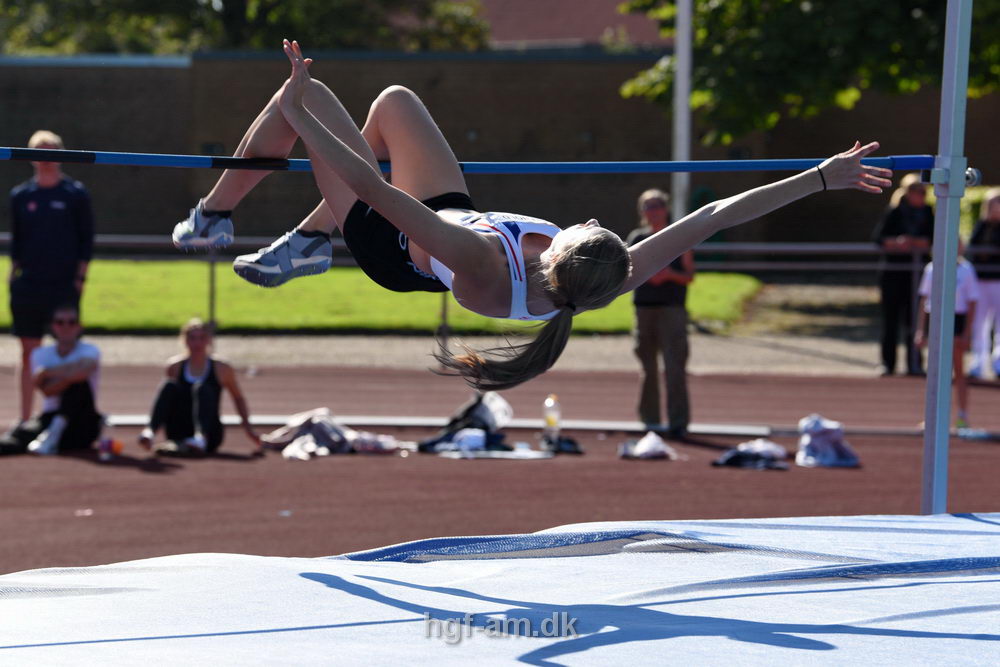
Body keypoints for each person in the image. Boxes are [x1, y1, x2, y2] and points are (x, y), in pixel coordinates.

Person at [171, 40, 892, 391]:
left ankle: (212, 216)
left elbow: (374, 186)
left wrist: (297, 110)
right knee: (393, 102)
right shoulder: (609, 275)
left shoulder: (490, 267)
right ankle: (304, 243)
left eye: (579, 228)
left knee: (314, 97)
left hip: (394, 239)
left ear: (562, 252)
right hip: (449, 213)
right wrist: (821, 178)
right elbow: (714, 213)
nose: (580, 218)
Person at [8, 130, 95, 423]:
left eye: (52, 152)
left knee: (68, 351)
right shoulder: (21, 196)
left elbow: (86, 239)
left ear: (62, 154)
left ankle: (67, 419)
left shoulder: (74, 194)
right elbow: (17, 241)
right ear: (31, 158)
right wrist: (13, 277)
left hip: (63, 284)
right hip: (29, 285)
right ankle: (24, 419)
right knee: (28, 354)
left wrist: (80, 279)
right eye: (40, 152)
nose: (46, 159)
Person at [138, 318, 261, 457]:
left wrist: (248, 430)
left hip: (210, 434)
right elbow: (166, 402)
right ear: (184, 340)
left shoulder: (222, 368)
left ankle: (199, 438)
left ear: (209, 340)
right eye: (192, 338)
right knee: (169, 385)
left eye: (202, 338)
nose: (197, 343)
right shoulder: (174, 366)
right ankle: (150, 432)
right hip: (178, 430)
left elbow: (238, 398)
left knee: (202, 388)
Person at [626, 189, 693, 439]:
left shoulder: (679, 234)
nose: (652, 211)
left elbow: (689, 275)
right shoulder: (637, 237)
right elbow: (628, 270)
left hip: (671, 309)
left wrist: (668, 275)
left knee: (674, 367)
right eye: (647, 207)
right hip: (644, 308)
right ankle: (650, 421)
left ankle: (679, 422)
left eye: (656, 206)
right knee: (647, 368)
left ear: (665, 209)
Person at [0, 304, 102, 455]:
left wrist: (48, 372)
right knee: (21, 437)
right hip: (49, 417)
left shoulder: (90, 350)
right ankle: (53, 433)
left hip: (82, 422)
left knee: (79, 386)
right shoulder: (40, 354)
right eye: (60, 322)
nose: (66, 327)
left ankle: (55, 433)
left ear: (79, 327)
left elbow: (84, 372)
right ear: (53, 326)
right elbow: (46, 391)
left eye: (71, 322)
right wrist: (70, 374)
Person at [872, 173, 934, 376]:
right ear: (909, 193)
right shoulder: (895, 211)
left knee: (915, 320)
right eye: (919, 192)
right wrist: (898, 242)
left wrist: (914, 243)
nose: (923, 196)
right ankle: (888, 364)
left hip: (916, 273)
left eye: (925, 192)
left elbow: (931, 240)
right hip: (893, 272)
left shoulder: (927, 212)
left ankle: (915, 364)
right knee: (890, 320)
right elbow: (879, 238)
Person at [914, 240, 979, 428]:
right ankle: (932, 416)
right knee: (934, 370)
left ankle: (962, 415)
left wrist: (967, 333)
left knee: (958, 370)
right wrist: (920, 329)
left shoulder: (966, 270)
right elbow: (925, 300)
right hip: (936, 318)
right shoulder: (931, 269)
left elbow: (973, 302)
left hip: (956, 319)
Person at [965, 188, 1000, 379]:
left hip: (998, 281)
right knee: (979, 325)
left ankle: (998, 363)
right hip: (981, 280)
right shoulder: (981, 225)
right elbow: (973, 249)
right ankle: (978, 362)